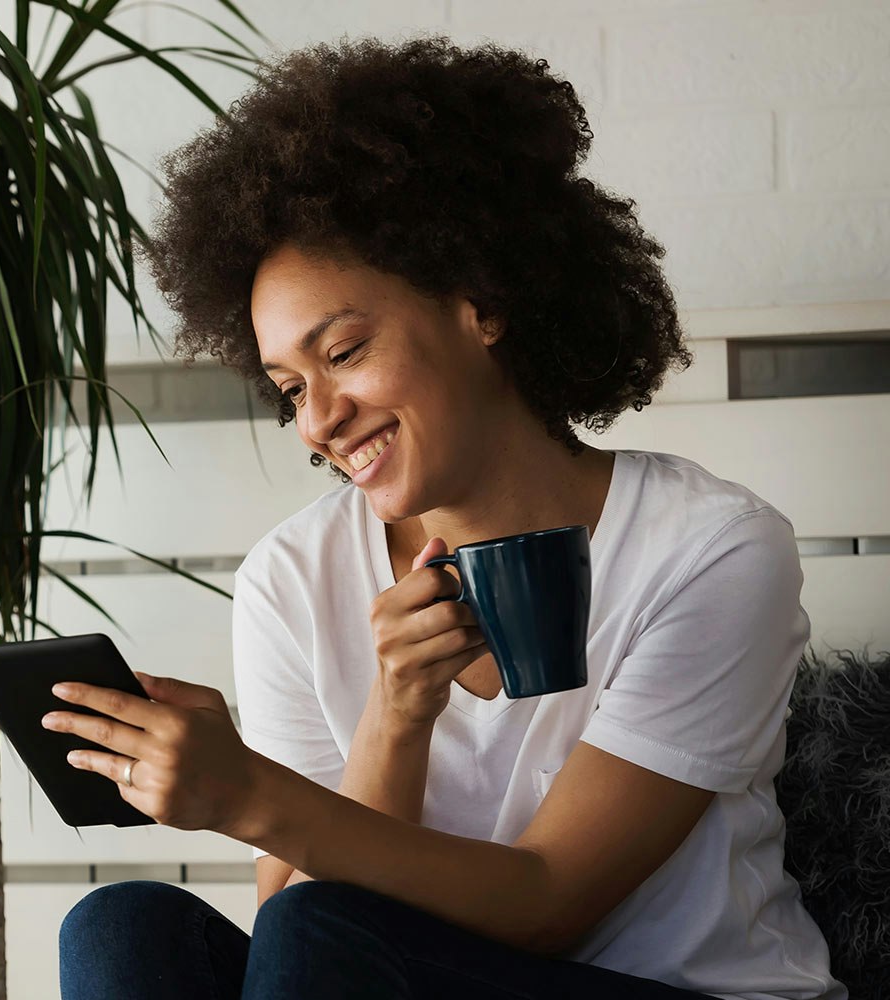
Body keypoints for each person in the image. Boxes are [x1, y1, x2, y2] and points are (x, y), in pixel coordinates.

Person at [52, 36, 847, 1000]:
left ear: (482, 302)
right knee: (122, 924)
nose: (318, 418)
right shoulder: (290, 576)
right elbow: (295, 935)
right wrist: (394, 716)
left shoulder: (710, 549)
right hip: (397, 976)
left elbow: (551, 903)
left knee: (317, 930)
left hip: (680, 991)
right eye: (288, 385)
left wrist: (248, 794)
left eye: (343, 351)